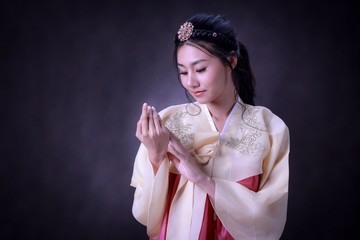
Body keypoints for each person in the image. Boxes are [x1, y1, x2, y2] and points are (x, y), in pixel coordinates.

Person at [130, 13, 290, 240]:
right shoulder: (168, 122)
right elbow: (144, 214)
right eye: (183, 72)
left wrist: (201, 178)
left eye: (201, 69)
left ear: (231, 62)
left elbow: (268, 219)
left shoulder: (270, 128)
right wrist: (156, 158)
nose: (191, 82)